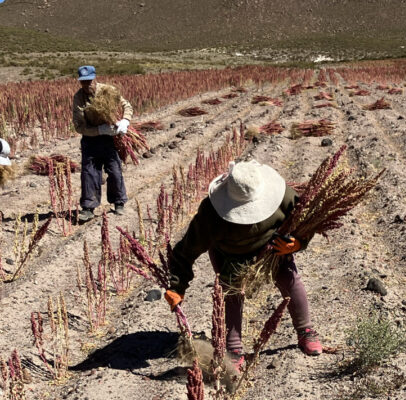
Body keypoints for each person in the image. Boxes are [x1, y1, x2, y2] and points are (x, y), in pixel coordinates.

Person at [164, 160, 322, 368]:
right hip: (229, 255)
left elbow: (306, 220)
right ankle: (234, 349)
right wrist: (177, 286)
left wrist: (298, 243)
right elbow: (186, 250)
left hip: (272, 249)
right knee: (232, 293)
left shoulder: (283, 195)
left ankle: (305, 331)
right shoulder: (211, 213)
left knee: (290, 280)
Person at [72, 65, 132, 222]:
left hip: (109, 139)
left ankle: (119, 202)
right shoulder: (78, 98)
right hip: (90, 139)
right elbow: (79, 126)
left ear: (95, 78)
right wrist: (99, 130)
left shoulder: (108, 91)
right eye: (83, 82)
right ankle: (88, 207)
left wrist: (125, 120)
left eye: (89, 81)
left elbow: (127, 105)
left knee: (114, 170)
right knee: (89, 172)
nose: (86, 85)